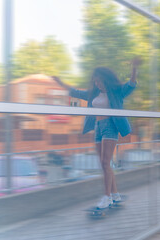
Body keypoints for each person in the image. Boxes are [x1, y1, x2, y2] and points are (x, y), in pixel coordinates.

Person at [52, 57, 142, 209]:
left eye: (99, 81)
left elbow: (131, 84)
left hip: (110, 127)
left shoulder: (117, 92)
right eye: (95, 81)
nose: (97, 84)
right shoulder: (93, 94)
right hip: (98, 127)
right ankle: (115, 195)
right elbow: (75, 92)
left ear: (106, 80)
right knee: (104, 164)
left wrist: (134, 68)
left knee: (106, 162)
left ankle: (106, 197)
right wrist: (59, 82)